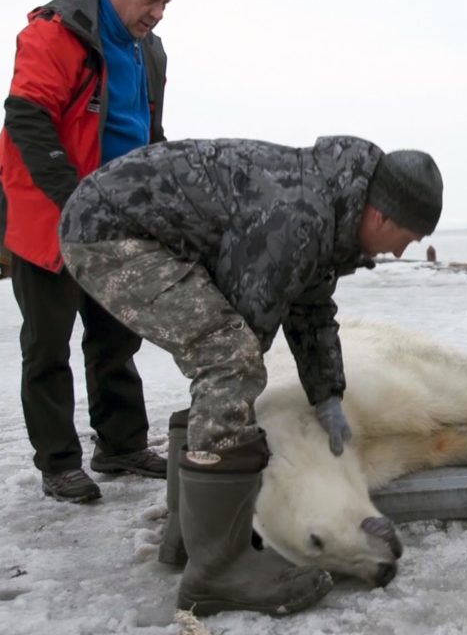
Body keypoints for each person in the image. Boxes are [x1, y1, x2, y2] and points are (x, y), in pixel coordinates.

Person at [58, 136, 442, 616]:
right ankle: (218, 568)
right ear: (381, 216)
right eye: (408, 239)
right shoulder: (299, 215)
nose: (403, 253)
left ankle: (186, 537)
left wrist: (327, 394)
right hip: (110, 234)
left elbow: (310, 306)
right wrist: (243, 437)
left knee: (225, 360)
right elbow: (244, 330)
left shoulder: (327, 210)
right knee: (229, 358)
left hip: (137, 229)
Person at [0, 0, 173, 504]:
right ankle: (58, 463)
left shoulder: (149, 51)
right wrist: (77, 201)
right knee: (48, 345)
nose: (159, 12)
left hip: (118, 220)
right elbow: (28, 119)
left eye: (167, 2)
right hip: (48, 214)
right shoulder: (56, 34)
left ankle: (121, 445)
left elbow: (147, 130)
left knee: (115, 338)